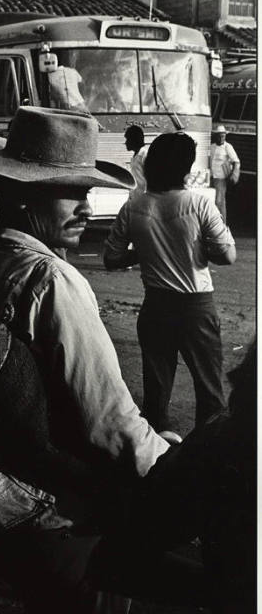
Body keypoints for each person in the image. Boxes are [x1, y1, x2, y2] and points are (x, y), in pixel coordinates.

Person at [0, 107, 254, 614]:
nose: (84, 205)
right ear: (21, 194)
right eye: (68, 191)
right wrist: (170, 468)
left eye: (86, 190)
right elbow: (109, 423)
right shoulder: (48, 279)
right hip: (61, 511)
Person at [104, 132, 236, 434]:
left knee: (156, 393)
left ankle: (156, 459)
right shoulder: (200, 205)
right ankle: (207, 457)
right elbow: (227, 256)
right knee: (210, 391)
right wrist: (200, 249)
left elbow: (111, 259)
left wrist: (144, 252)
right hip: (196, 309)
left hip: (155, 307)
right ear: (187, 167)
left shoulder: (133, 207)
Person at [210, 123, 240, 223]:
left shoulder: (228, 147)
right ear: (216, 136)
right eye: (220, 135)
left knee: (220, 201)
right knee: (212, 201)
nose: (222, 137)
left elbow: (236, 161)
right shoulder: (212, 147)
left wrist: (234, 173)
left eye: (223, 135)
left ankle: (222, 225)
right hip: (211, 177)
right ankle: (213, 224)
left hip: (221, 178)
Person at [124, 125, 148, 196]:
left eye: (127, 139)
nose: (125, 143)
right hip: (134, 197)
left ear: (133, 139)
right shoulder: (135, 156)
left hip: (143, 199)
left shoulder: (145, 155)